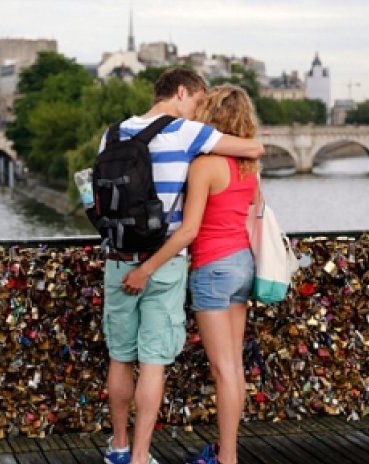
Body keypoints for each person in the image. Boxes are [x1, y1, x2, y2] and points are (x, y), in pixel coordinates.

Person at [101, 70, 263, 464]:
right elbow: (254, 150)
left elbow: (101, 198)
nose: (197, 111)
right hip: (172, 261)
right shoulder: (189, 134)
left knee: (120, 358)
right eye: (196, 101)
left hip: (120, 257)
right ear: (180, 92)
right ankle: (143, 457)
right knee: (155, 362)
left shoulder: (114, 133)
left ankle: (119, 449)